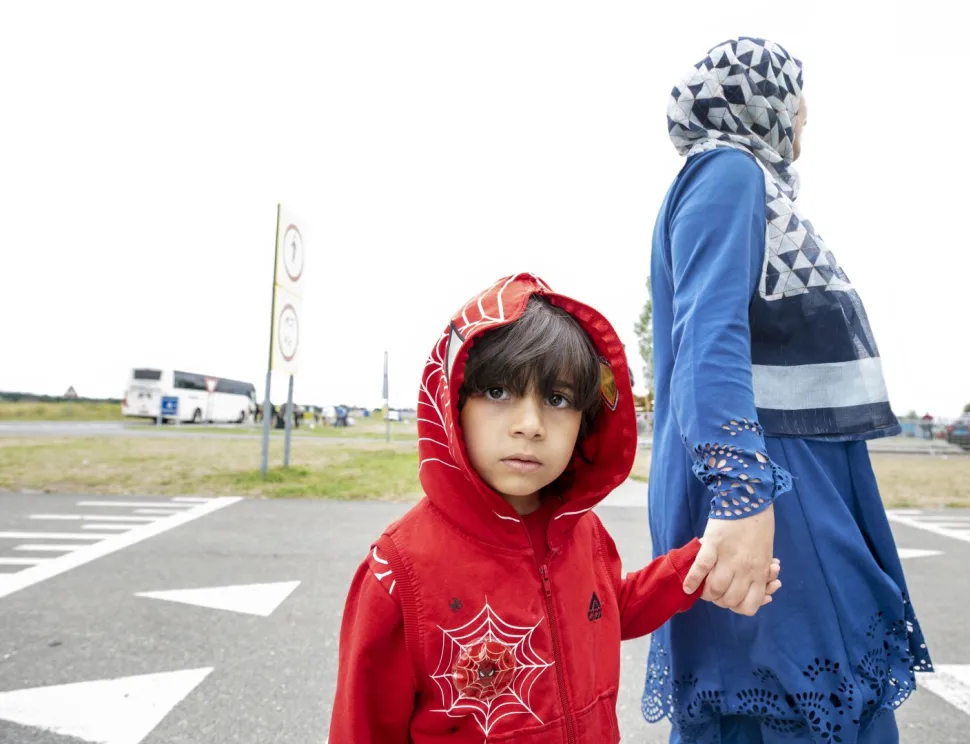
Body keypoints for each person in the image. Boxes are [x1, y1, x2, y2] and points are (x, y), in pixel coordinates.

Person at [327, 273, 781, 742]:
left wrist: (697, 568)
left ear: (586, 421)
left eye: (558, 399)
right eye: (498, 392)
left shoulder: (582, 530)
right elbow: (360, 728)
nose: (530, 425)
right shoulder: (397, 570)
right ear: (452, 401)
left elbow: (606, 611)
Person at [644, 38, 932, 743]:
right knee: (788, 698)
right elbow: (708, 342)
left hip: (788, 473)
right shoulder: (729, 173)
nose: (806, 117)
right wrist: (743, 496)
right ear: (763, 101)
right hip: (771, 479)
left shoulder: (745, 186)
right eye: (797, 97)